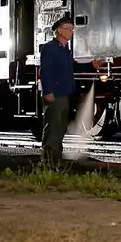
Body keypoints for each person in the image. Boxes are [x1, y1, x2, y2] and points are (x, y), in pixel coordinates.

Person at [39, 16, 75, 167]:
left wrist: (92, 64)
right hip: (55, 94)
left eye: (72, 29)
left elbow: (72, 68)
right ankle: (48, 161)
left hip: (64, 93)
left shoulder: (65, 49)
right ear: (59, 31)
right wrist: (48, 91)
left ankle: (56, 159)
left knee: (60, 127)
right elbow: (45, 71)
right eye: (68, 29)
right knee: (53, 126)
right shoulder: (49, 48)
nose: (71, 32)